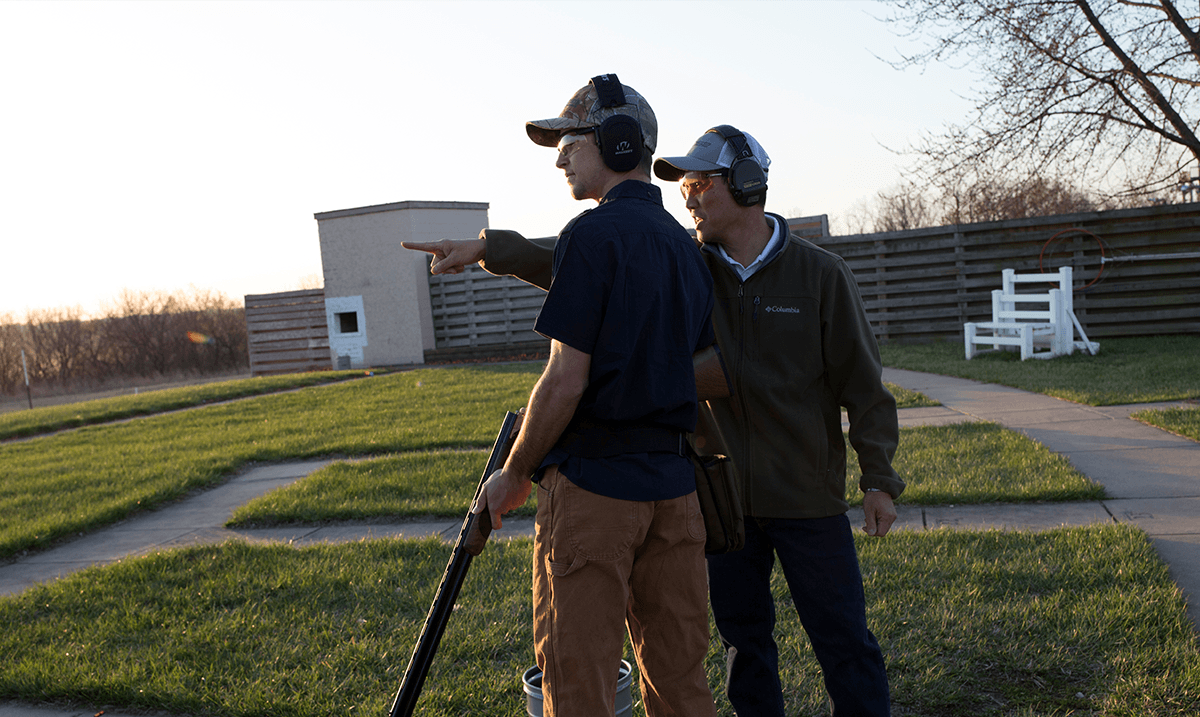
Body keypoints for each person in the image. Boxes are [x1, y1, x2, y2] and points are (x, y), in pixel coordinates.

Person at [406, 124, 905, 716]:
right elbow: (578, 256)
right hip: (721, 497)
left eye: (700, 183)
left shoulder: (820, 275)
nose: (688, 196)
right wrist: (490, 248)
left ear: (747, 185)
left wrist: (878, 478)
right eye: (684, 184)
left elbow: (863, 384)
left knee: (845, 644)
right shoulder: (691, 264)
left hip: (807, 497)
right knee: (744, 646)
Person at [440, 75, 720, 717]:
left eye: (569, 140)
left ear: (620, 143)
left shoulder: (588, 236)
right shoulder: (685, 247)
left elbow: (566, 378)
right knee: (680, 684)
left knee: (578, 687)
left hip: (596, 494)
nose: (560, 155)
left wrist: (513, 475)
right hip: (676, 494)